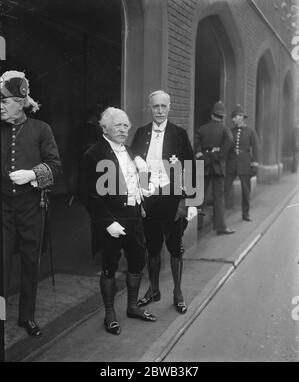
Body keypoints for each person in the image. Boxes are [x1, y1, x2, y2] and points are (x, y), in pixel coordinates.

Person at [80, 107, 156, 335]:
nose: (123, 129)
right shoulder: (93, 154)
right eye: (118, 125)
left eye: (126, 125)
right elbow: (88, 194)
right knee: (109, 266)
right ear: (105, 128)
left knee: (137, 259)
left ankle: (132, 306)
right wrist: (106, 222)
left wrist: (146, 182)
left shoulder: (130, 151)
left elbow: (139, 183)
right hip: (111, 221)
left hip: (134, 217)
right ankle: (110, 314)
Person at [0, 70, 62, 337]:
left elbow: (56, 166)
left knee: (29, 263)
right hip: (2, 207)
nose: (0, 106)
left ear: (20, 101)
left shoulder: (41, 129)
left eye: (4, 101)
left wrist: (33, 174)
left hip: (30, 207)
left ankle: (27, 316)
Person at [131, 90, 198, 314]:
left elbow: (190, 169)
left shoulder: (179, 134)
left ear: (169, 108)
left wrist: (185, 203)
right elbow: (134, 166)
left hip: (173, 201)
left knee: (175, 248)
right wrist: (139, 198)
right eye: (155, 107)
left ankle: (177, 292)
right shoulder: (141, 134)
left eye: (163, 107)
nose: (159, 111)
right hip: (149, 200)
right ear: (149, 108)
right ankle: (154, 289)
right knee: (152, 247)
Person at [195, 101, 235, 235]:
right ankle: (221, 227)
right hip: (218, 165)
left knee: (199, 195)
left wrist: (203, 157)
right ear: (222, 117)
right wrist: (218, 156)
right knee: (219, 197)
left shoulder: (201, 129)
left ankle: (196, 225)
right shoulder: (225, 130)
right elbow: (229, 141)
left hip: (204, 164)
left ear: (212, 115)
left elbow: (195, 146)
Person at [224, 104, 259, 222]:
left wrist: (255, 164)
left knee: (246, 191)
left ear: (241, 117)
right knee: (225, 189)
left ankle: (246, 213)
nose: (233, 119)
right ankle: (218, 215)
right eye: (233, 117)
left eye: (235, 117)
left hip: (245, 164)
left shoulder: (250, 132)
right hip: (232, 164)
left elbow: (256, 148)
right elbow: (227, 148)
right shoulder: (230, 131)